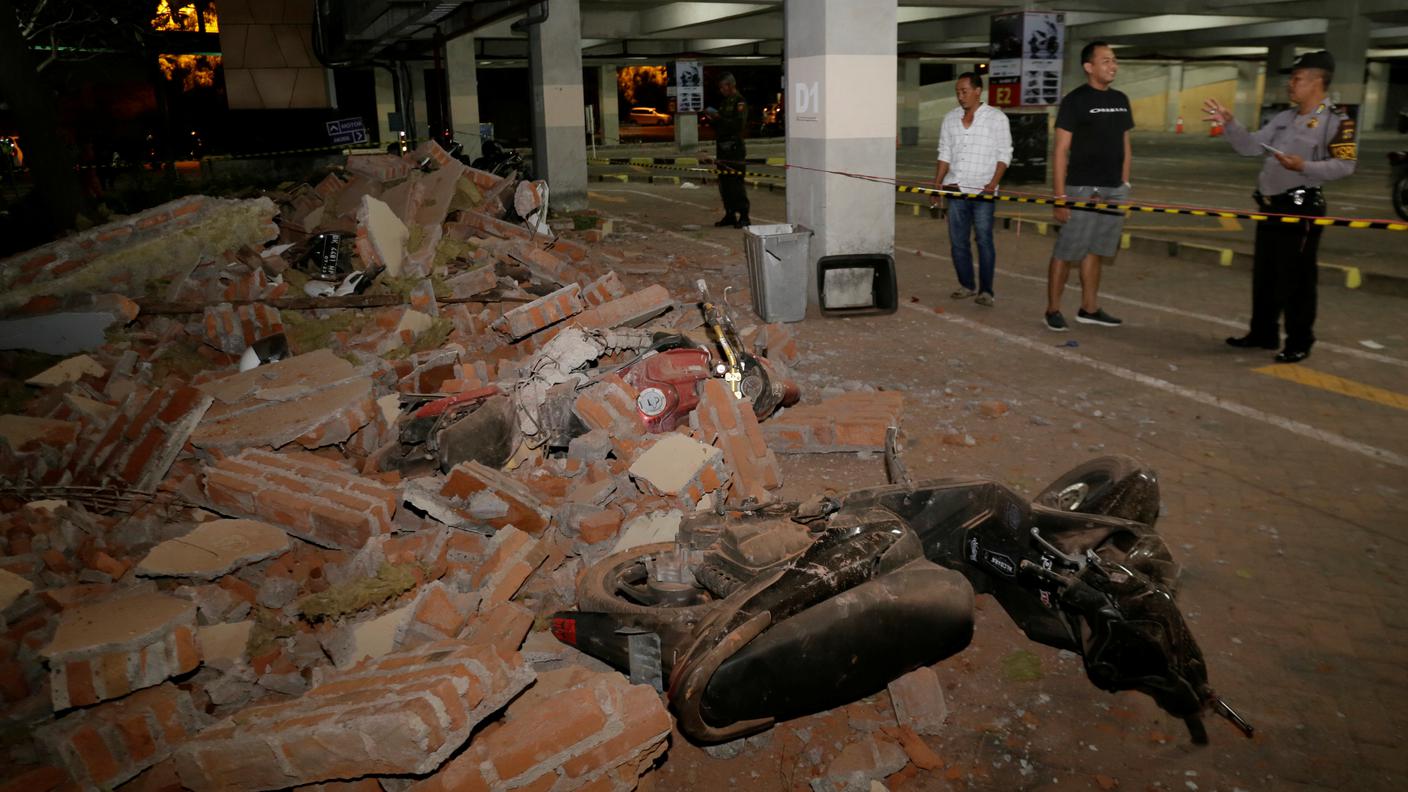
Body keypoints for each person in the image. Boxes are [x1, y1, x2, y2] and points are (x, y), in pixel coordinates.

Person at [1204, 51, 1356, 364]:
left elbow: (1345, 165)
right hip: (1271, 207)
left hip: (1301, 208)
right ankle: (1263, 333)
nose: (1290, 84)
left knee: (1297, 278)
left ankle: (1300, 340)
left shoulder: (1336, 120)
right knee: (1266, 275)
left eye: (1297, 78)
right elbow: (1250, 147)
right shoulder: (1286, 118)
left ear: (1316, 81)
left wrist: (1305, 166)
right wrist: (1230, 124)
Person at [1044, 41, 1134, 332]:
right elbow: (1060, 150)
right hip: (1082, 188)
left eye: (1114, 60)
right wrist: (1060, 198)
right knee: (1067, 251)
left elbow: (1125, 144)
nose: (1113, 66)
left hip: (1114, 189)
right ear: (1089, 67)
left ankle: (1089, 308)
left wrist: (1124, 182)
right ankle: (1053, 309)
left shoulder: (1121, 99)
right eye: (1106, 61)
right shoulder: (1075, 101)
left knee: (1097, 250)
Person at [931, 72, 1012, 307]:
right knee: (958, 241)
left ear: (978, 91)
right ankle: (966, 285)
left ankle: (986, 291)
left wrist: (993, 183)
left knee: (984, 240)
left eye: (964, 91)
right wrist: (937, 182)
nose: (960, 96)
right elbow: (944, 152)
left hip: (983, 192)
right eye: (957, 92)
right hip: (956, 189)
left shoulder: (997, 118)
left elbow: (1004, 154)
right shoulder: (950, 118)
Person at [706, 73, 750, 228]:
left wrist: (718, 118)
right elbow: (720, 125)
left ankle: (744, 215)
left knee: (735, 183)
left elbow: (737, 125)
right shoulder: (725, 103)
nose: (721, 90)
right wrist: (712, 119)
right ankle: (730, 214)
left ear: (731, 85)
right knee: (724, 183)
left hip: (734, 148)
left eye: (723, 87)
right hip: (722, 148)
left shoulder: (740, 102)